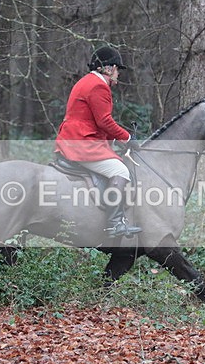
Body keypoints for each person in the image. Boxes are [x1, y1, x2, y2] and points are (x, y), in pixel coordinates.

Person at [55, 44, 142, 238]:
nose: (118, 74)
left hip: (75, 139)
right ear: (109, 68)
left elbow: (97, 122)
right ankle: (114, 224)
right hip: (82, 144)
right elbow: (104, 121)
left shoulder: (86, 82)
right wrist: (128, 138)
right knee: (120, 170)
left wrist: (120, 142)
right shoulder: (98, 86)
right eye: (117, 69)